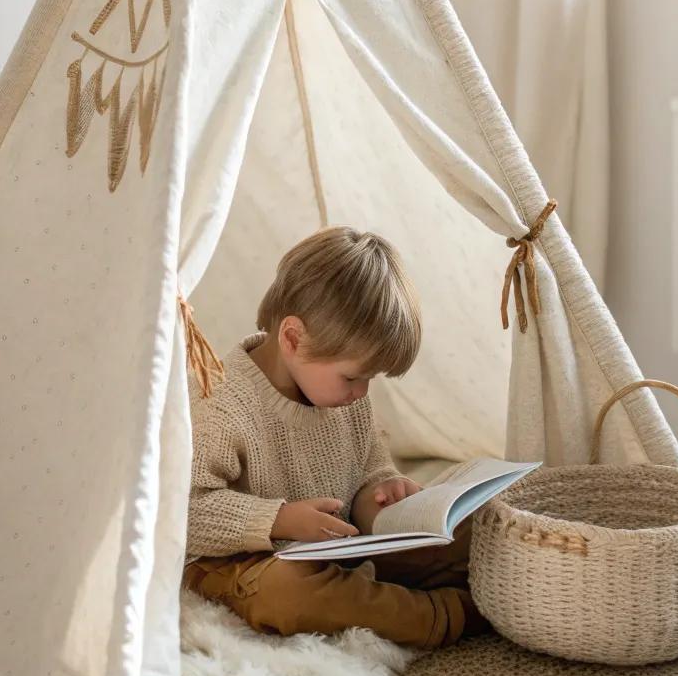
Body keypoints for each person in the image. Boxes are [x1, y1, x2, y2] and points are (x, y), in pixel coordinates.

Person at [183, 227, 487, 649]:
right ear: (293, 338)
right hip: (241, 563)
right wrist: (279, 520)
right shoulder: (219, 400)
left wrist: (383, 492)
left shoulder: (343, 396)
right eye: (353, 376)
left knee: (472, 530)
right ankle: (444, 615)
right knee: (290, 593)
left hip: (335, 546)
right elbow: (186, 514)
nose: (361, 392)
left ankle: (492, 588)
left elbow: (368, 468)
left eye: (370, 378)